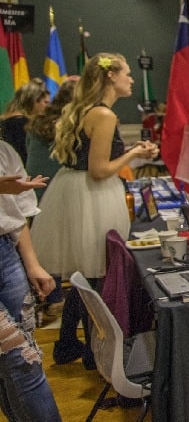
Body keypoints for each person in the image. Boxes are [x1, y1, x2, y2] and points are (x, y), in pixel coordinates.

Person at [32, 54, 159, 367]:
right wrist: (134, 155)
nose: (131, 79)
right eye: (127, 73)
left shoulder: (85, 109)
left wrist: (131, 151)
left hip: (72, 192)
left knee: (85, 276)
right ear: (111, 76)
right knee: (98, 276)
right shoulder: (104, 115)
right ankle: (95, 353)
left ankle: (72, 345)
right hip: (93, 195)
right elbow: (100, 170)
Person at [0, 143, 61, 421]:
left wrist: (32, 263)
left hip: (6, 254)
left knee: (17, 361)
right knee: (20, 360)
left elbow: (17, 214)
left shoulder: (3, 150)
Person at [25, 79, 77, 319]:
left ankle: (51, 297)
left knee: (48, 244)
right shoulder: (69, 124)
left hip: (34, 188)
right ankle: (64, 297)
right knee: (65, 244)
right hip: (61, 187)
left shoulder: (36, 123)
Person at [0, 78, 51, 165]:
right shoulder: (23, 125)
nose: (49, 107)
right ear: (34, 101)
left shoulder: (5, 121)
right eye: (46, 102)